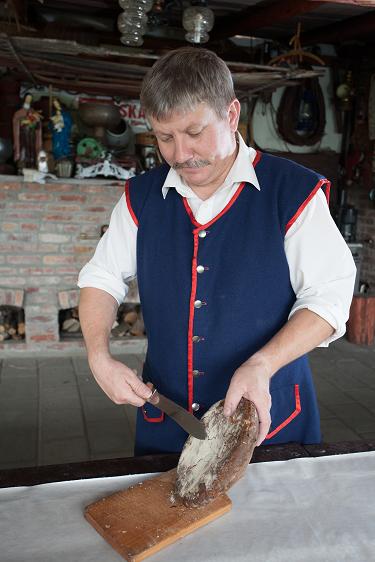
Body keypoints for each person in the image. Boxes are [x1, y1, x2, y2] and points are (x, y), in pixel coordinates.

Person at [78, 47, 356, 456]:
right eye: (164, 137)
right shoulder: (142, 196)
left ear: (231, 114)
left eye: (194, 132)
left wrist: (261, 365)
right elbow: (101, 279)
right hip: (168, 422)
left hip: (269, 421)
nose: (180, 154)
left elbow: (330, 298)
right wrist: (98, 356)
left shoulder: (292, 192)